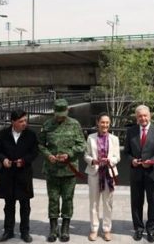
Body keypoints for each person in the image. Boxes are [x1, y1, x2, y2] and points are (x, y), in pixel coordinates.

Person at [39, 99, 86, 242]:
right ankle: (53, 229)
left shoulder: (74, 124)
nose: (60, 117)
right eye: (58, 114)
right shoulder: (47, 125)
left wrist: (69, 154)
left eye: (63, 114)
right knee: (53, 199)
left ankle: (65, 228)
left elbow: (82, 145)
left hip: (69, 170)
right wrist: (48, 156)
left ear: (67, 111)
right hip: (52, 170)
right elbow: (40, 145)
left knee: (67, 199)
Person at [124, 105, 154, 243]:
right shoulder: (131, 131)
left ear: (150, 116)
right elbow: (126, 153)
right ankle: (138, 229)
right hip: (136, 173)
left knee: (153, 202)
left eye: (145, 115)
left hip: (153, 173)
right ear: (136, 118)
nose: (143, 118)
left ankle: (151, 230)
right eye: (140, 116)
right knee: (136, 203)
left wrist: (152, 161)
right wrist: (132, 160)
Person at [0, 109, 38, 243]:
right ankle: (8, 231)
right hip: (8, 174)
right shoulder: (3, 133)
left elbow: (34, 152)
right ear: (13, 121)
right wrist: (3, 160)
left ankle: (25, 231)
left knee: (25, 205)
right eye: (21, 121)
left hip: (23, 174)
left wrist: (24, 160)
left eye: (25, 120)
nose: (24, 123)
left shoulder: (31, 135)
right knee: (9, 205)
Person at [84, 112, 121, 242]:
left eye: (107, 123)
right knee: (93, 203)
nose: (105, 125)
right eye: (102, 122)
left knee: (108, 203)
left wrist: (110, 160)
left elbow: (117, 157)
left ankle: (106, 229)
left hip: (109, 174)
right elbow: (86, 155)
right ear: (97, 123)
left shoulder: (114, 139)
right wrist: (92, 160)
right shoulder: (90, 138)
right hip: (94, 173)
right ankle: (94, 229)